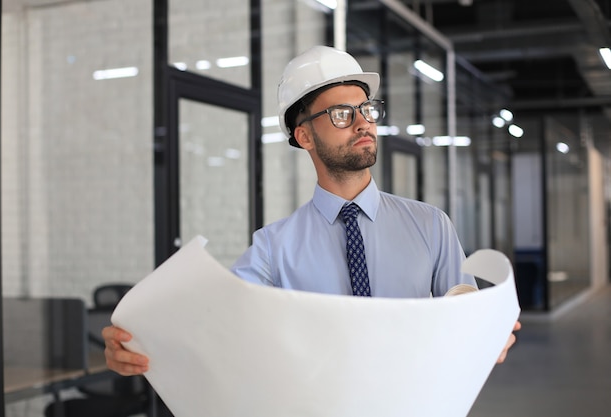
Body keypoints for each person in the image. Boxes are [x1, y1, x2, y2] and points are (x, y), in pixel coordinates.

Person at [103, 45, 521, 376]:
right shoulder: (272, 247)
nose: (362, 123)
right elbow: (216, 325)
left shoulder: (431, 226)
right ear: (304, 136)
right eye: (342, 114)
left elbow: (469, 319)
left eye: (367, 110)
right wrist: (136, 341)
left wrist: (489, 335)